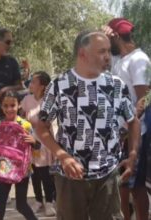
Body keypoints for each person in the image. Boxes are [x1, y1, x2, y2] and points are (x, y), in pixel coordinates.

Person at [35, 30, 140, 220]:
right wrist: (62, 156)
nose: (108, 57)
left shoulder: (116, 85)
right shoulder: (60, 86)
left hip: (107, 176)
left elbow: (133, 122)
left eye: (109, 51)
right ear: (83, 53)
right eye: (102, 51)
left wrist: (132, 156)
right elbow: (41, 126)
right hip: (70, 178)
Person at [104, 18, 151, 220]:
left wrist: (127, 127)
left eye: (108, 40)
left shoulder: (138, 60)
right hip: (120, 130)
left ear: (116, 36)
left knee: (135, 184)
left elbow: (144, 97)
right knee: (122, 182)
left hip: (135, 130)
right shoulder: (119, 59)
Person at [0, 91, 38, 220]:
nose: (9, 109)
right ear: (1, 106)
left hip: (22, 171)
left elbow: (37, 148)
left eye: (12, 105)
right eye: (5, 105)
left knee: (21, 204)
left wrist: (34, 142)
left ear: (19, 105)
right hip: (1, 169)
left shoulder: (26, 125)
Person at [21, 71, 56, 216]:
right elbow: (22, 116)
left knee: (46, 174)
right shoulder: (27, 99)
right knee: (34, 173)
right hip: (30, 141)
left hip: (45, 142)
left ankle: (49, 201)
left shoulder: (49, 101)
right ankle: (38, 200)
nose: (31, 84)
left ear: (42, 86)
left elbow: (50, 122)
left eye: (34, 82)